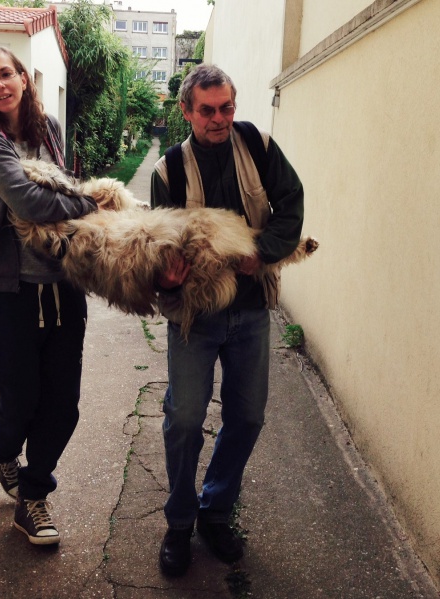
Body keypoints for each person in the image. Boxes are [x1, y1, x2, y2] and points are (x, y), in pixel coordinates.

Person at [150, 64, 304, 575]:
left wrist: (263, 250)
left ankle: (215, 510)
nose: (220, 119)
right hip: (194, 319)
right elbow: (158, 250)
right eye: (208, 110)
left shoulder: (258, 146)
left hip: (251, 311)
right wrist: (168, 279)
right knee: (186, 419)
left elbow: (291, 203)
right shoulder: (168, 171)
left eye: (227, 107)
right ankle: (178, 523)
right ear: (187, 111)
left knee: (248, 417)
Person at [0, 47, 97, 546]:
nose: (0, 84)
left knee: (64, 402)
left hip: (63, 283)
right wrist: (88, 202)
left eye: (7, 74)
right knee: (19, 395)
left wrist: (75, 202)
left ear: (23, 80)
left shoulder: (48, 128)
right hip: (6, 288)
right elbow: (29, 198)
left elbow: (61, 183)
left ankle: (33, 496)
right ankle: (2, 448)